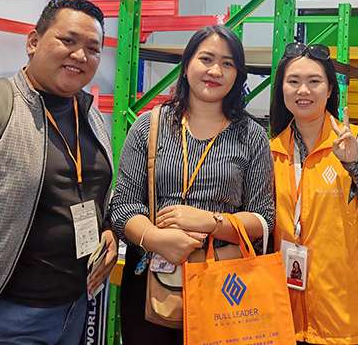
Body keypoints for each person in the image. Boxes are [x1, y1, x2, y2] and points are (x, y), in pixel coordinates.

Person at [0, 0, 117, 345]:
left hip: (74, 308)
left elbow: (86, 193)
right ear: (33, 42)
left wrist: (106, 229)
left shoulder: (89, 115)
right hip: (2, 318)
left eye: (93, 49)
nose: (80, 55)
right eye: (68, 40)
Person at [110, 25, 274, 345]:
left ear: (238, 76)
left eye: (228, 64)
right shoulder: (149, 126)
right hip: (150, 281)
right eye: (206, 59)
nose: (215, 71)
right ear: (186, 66)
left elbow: (264, 220)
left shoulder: (251, 135)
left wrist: (211, 222)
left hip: (225, 284)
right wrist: (156, 238)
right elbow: (124, 205)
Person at [269, 42, 358, 345]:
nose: (303, 90)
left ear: (330, 89)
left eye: (314, 81)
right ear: (281, 89)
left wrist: (356, 164)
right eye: (293, 81)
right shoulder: (272, 151)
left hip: (351, 321)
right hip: (288, 316)